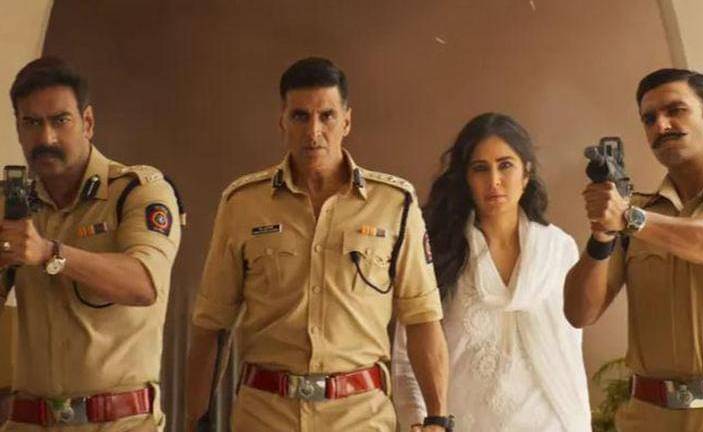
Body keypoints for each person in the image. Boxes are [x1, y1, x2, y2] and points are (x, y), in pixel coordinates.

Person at [185, 57, 451, 432]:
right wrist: (195, 421)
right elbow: (212, 326)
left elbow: (422, 319)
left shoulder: (394, 204)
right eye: (300, 116)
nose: (314, 131)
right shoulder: (242, 204)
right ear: (282, 121)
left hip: (359, 417)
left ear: (347, 121)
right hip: (265, 416)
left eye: (327, 116)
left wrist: (437, 418)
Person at [564, 68, 703, 431]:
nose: (661, 125)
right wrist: (602, 234)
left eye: (676, 110)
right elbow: (580, 313)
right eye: (649, 119)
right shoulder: (633, 215)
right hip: (648, 418)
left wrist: (629, 217)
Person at [0, 57, 182, 431]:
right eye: (31, 123)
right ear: (17, 128)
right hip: (28, 421)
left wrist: (50, 253)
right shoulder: (12, 206)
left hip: (119, 423)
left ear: (87, 122)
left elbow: (145, 284)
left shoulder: (137, 191)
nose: (46, 138)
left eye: (60, 121)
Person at [393, 112, 591, 431]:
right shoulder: (441, 253)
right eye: (480, 169)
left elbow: (571, 347)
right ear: (466, 179)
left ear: (526, 173)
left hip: (554, 423)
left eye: (505, 165)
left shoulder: (558, 250)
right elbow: (408, 354)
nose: (494, 181)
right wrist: (419, 420)